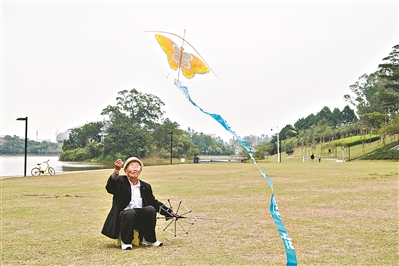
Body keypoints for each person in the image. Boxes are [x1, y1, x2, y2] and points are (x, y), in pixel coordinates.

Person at [101, 157, 174, 250]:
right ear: (125, 170)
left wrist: (169, 212)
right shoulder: (120, 181)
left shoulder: (145, 186)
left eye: (137, 167)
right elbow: (110, 188)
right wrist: (116, 170)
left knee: (150, 209)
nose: (135, 169)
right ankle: (126, 242)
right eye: (132, 166)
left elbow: (154, 202)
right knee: (130, 212)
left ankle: (149, 240)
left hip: (140, 216)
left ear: (140, 170)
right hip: (124, 216)